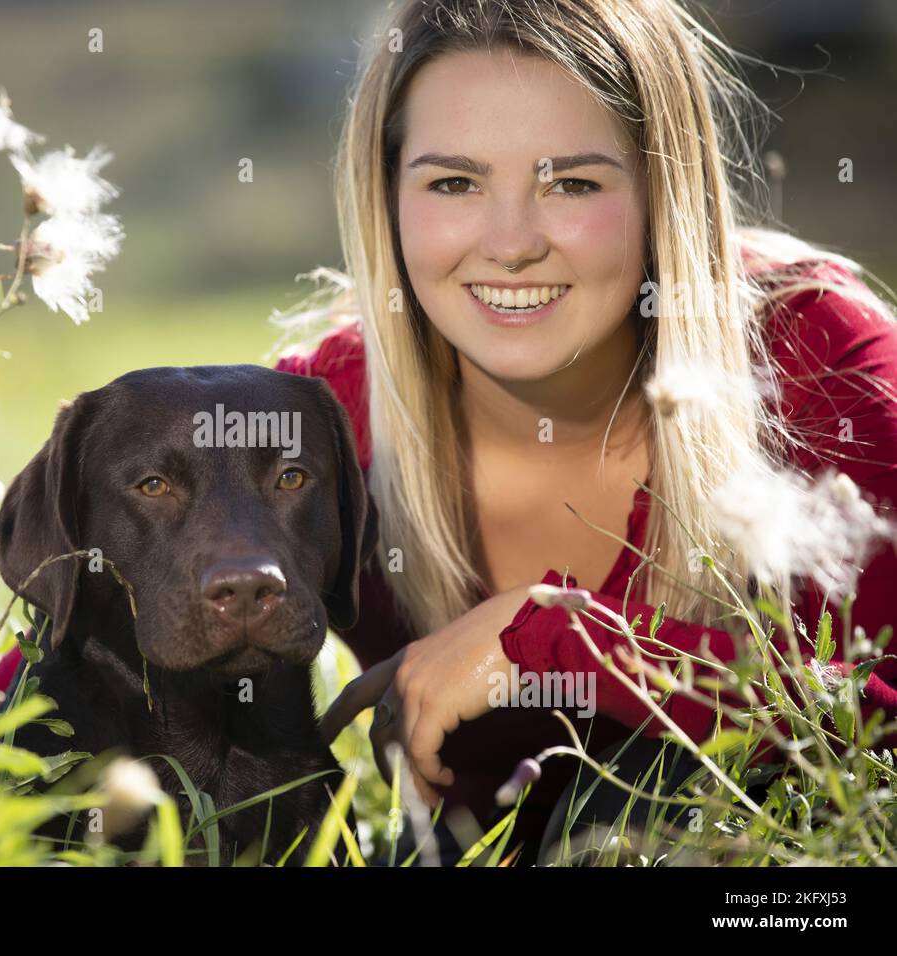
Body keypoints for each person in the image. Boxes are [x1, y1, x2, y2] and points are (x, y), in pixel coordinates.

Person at [271, 0, 897, 862]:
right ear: (387, 199)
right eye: (453, 183)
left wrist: (562, 640)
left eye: (573, 182)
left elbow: (875, 726)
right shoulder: (322, 415)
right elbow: (66, 683)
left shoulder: (818, 356)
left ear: (661, 191)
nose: (512, 242)